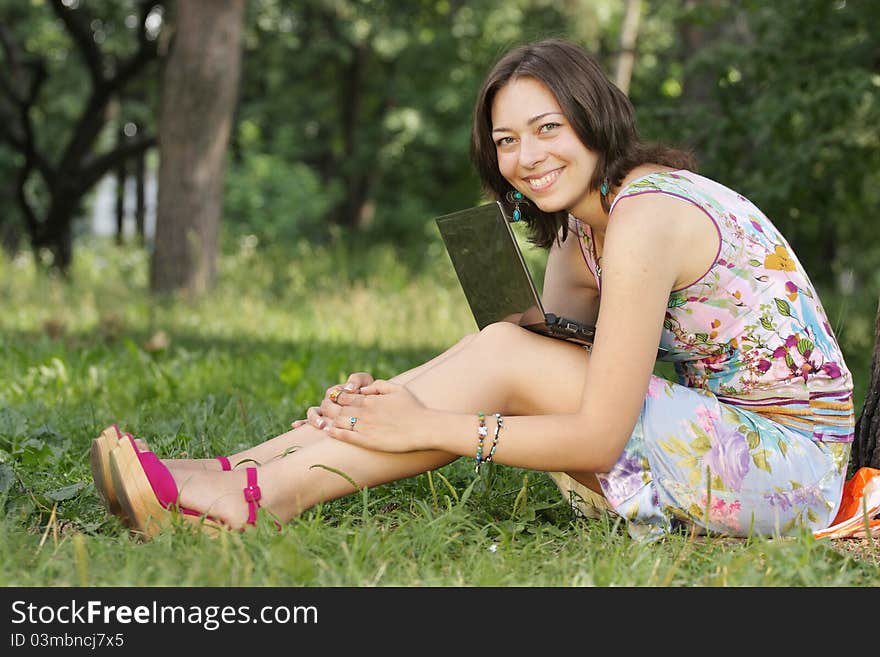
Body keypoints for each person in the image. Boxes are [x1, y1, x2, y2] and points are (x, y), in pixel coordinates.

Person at [93, 38, 854, 542]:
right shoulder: (587, 231)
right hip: (728, 442)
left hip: (795, 470)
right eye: (507, 140)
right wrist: (392, 405)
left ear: (594, 120)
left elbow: (594, 432)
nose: (527, 156)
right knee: (500, 344)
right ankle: (237, 470)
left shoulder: (647, 217)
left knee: (500, 358)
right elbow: (534, 351)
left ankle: (264, 497)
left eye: (548, 128)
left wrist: (428, 424)